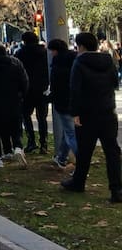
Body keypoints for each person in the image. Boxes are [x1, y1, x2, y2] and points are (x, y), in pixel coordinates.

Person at [61, 32, 122, 202]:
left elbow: (75, 89)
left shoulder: (79, 62)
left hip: (87, 114)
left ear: (80, 46)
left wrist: (75, 113)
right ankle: (116, 189)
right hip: (107, 112)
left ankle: (78, 182)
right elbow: (115, 83)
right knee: (112, 152)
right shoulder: (108, 60)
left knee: (85, 150)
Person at [14, 32, 50, 154]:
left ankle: (31, 141)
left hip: (26, 90)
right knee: (42, 117)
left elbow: (18, 72)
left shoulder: (20, 54)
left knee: (25, 115)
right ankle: (44, 143)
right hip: (41, 89)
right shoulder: (45, 53)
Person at [47, 39, 78, 169]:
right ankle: (61, 157)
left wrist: (50, 98)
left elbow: (55, 86)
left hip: (62, 102)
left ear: (55, 50)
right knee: (68, 131)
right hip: (76, 100)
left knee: (70, 133)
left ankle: (82, 160)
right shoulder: (75, 61)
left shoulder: (57, 65)